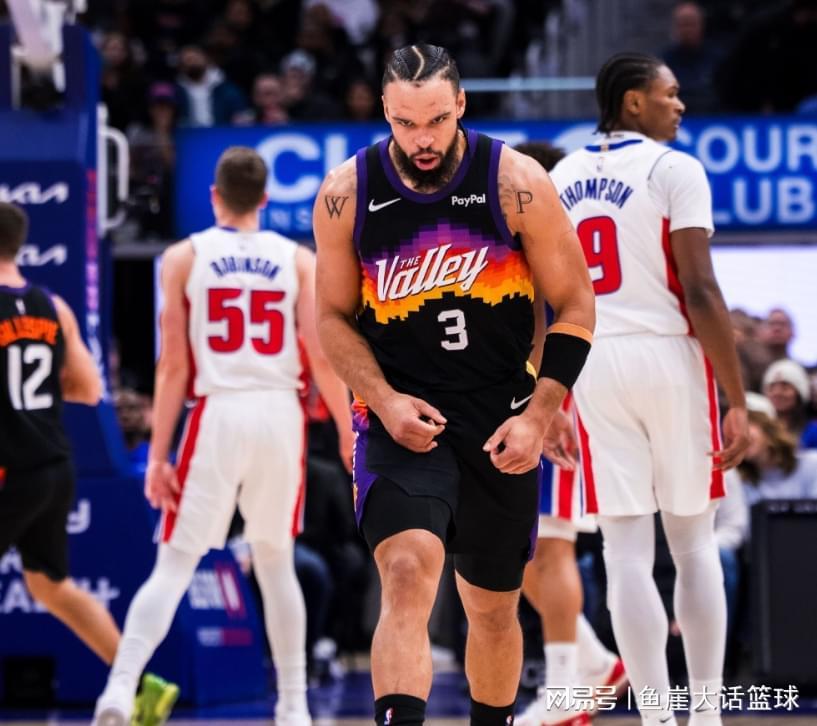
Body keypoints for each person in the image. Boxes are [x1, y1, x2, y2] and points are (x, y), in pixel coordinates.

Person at [312, 44, 596, 726]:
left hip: (499, 416)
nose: (422, 138)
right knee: (406, 574)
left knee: (492, 609)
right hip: (400, 414)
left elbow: (575, 303)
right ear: (385, 111)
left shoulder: (516, 181)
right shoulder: (347, 193)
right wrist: (383, 401)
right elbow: (330, 318)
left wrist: (539, 414)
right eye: (405, 122)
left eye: (436, 120)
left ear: (461, 104)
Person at [94, 146, 354, 726]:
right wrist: (345, 431)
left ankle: (120, 688)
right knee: (276, 563)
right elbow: (322, 357)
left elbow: (172, 367)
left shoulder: (182, 256)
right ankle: (293, 706)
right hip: (279, 414)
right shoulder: (298, 258)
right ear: (265, 199)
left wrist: (158, 456)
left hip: (216, 411)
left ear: (215, 196)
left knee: (173, 565)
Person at [548, 52, 749, 726]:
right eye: (670, 93)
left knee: (623, 551)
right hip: (667, 355)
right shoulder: (674, 169)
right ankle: (705, 714)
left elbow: (543, 298)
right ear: (633, 101)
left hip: (591, 361)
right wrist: (736, 398)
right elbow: (700, 288)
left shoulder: (559, 176)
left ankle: (657, 717)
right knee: (692, 544)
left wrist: (547, 397)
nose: (680, 104)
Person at [0, 202, 177, 724]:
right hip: (53, 463)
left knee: (51, 585)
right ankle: (140, 686)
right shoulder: (52, 307)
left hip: (10, 465)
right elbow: (89, 387)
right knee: (50, 585)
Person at [510, 142, 625, 726]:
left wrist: (543, 401)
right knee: (520, 549)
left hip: (560, 395)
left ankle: (564, 691)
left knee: (550, 546)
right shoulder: (558, 224)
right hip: (541, 395)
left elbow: (551, 321)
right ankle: (595, 662)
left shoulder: (547, 228)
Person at [762, 358, 817, 448]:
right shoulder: (759, 432)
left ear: (800, 393)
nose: (777, 393)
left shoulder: (813, 432)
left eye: (785, 387)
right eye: (771, 387)